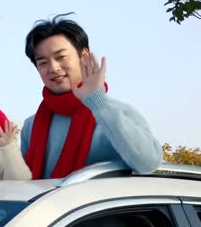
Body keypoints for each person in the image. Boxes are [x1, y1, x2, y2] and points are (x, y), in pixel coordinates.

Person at [21, 14, 163, 179]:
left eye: (61, 57)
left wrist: (98, 103)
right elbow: (22, 186)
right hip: (46, 205)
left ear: (84, 56)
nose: (53, 67)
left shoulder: (118, 113)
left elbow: (149, 163)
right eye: (43, 62)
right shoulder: (31, 126)